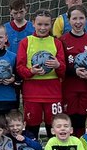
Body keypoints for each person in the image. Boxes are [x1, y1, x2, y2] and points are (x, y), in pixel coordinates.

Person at [15, 10, 66, 138]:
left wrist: (57, 65)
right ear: (33, 23)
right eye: (39, 24)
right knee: (32, 129)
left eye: (46, 25)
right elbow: (19, 68)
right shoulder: (26, 42)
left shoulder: (56, 43)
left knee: (55, 128)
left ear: (51, 24)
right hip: (32, 94)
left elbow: (63, 70)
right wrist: (31, 71)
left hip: (53, 93)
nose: (43, 28)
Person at [59, 6, 87, 135]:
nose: (78, 22)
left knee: (81, 121)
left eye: (81, 18)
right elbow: (61, 66)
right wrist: (75, 72)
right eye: (74, 18)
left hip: (85, 88)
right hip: (68, 88)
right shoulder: (62, 40)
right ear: (69, 20)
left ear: (86, 20)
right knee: (68, 121)